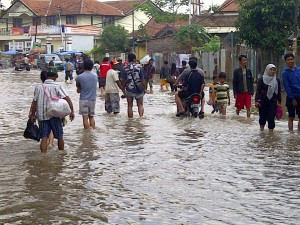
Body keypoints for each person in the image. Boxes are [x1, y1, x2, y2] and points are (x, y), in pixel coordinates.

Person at [29, 71, 75, 153]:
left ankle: (43, 156)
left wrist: (32, 114)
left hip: (42, 116)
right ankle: (62, 155)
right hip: (55, 115)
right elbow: (67, 99)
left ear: (46, 76)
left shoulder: (38, 87)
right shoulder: (58, 86)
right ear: (56, 77)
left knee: (44, 137)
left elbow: (34, 102)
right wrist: (72, 111)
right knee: (60, 137)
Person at [255, 64, 282, 132]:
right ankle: (262, 131)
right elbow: (258, 90)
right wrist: (256, 101)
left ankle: (271, 133)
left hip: (272, 101)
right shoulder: (262, 79)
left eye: (274, 70)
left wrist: (279, 102)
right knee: (262, 117)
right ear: (267, 70)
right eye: (271, 69)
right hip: (263, 100)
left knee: (271, 117)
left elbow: (278, 92)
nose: (272, 71)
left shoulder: (277, 80)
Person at [121, 53, 146, 118]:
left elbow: (123, 80)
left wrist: (123, 89)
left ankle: (130, 121)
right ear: (134, 59)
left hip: (129, 89)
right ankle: (141, 118)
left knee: (129, 105)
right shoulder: (139, 67)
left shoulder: (125, 68)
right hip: (139, 89)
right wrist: (145, 88)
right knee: (140, 105)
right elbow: (142, 79)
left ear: (128, 59)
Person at [75, 59, 98, 129]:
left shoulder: (79, 77)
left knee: (85, 118)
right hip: (92, 100)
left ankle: (87, 134)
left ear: (83, 66)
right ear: (92, 67)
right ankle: (92, 132)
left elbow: (78, 90)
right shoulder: (95, 76)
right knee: (91, 117)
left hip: (83, 100)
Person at [282, 53, 300, 131]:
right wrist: (292, 98)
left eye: (291, 59)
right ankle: (291, 134)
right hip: (291, 97)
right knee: (291, 116)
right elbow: (287, 87)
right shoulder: (285, 73)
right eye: (288, 60)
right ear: (285, 62)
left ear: (294, 59)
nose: (290, 61)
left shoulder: (299, 70)